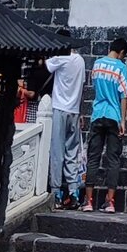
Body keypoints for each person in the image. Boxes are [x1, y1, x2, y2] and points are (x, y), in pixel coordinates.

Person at [84, 37, 127, 213]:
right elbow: (124, 95)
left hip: (97, 114)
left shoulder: (97, 64)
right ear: (121, 52)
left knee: (93, 157)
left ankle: (88, 201)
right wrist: (123, 121)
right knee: (113, 159)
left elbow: (96, 88)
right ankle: (110, 202)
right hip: (113, 116)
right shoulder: (121, 67)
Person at [44, 29, 86, 209]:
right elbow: (83, 86)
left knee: (57, 152)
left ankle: (56, 192)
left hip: (60, 109)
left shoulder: (59, 59)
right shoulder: (80, 60)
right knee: (71, 153)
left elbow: (44, 65)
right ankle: (73, 191)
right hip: (75, 111)